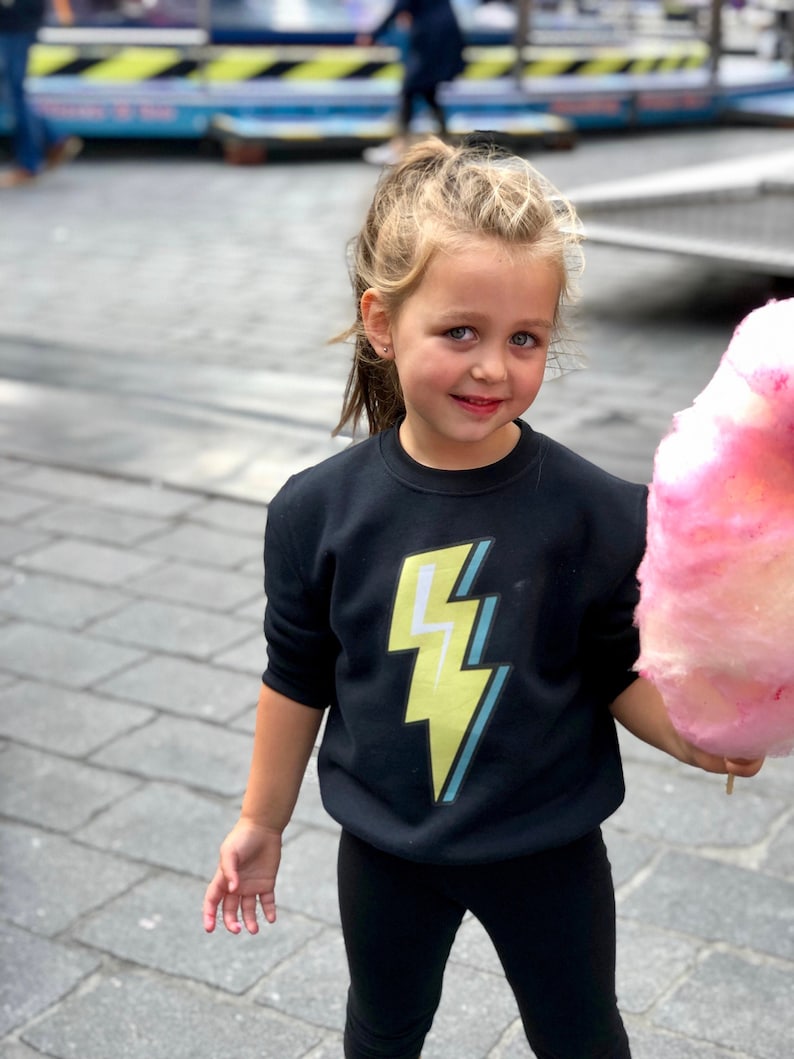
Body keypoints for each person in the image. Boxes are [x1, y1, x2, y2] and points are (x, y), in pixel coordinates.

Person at [203, 137, 763, 1059]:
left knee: (581, 1034)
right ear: (381, 323)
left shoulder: (596, 510)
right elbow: (297, 675)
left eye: (524, 339)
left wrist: (689, 730)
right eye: (459, 331)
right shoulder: (317, 512)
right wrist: (261, 821)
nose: (493, 367)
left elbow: (613, 663)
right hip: (388, 850)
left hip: (548, 847)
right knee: (384, 1028)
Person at [357, 0, 464, 165]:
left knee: (410, 90)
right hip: (442, 34)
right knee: (428, 92)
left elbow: (399, 7)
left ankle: (398, 147)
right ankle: (448, 144)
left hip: (430, 38)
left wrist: (373, 35)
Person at [0, 0, 83, 188]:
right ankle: (54, 138)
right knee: (14, 94)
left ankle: (29, 165)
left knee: (15, 95)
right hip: (16, 23)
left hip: (14, 24)